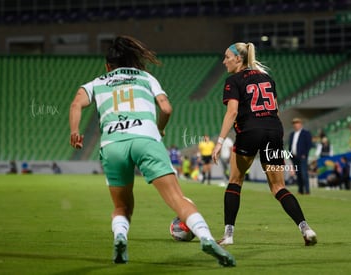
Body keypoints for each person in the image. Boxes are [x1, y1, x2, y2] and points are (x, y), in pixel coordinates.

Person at [68, 35, 235, 267]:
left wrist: (75, 131)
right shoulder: (146, 77)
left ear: (108, 66)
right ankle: (206, 238)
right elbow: (166, 108)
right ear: (133, 62)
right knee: (177, 199)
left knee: (122, 207)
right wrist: (159, 129)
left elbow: (76, 103)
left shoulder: (97, 82)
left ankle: (120, 238)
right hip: (146, 138)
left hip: (113, 143)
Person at [211, 42, 317, 247]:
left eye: (227, 57)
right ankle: (306, 229)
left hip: (250, 131)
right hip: (274, 131)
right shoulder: (267, 78)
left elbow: (232, 112)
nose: (224, 61)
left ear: (238, 59)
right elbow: (275, 111)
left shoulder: (233, 80)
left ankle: (229, 235)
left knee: (235, 181)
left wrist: (220, 141)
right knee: (279, 187)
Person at [289, 118, 313, 194]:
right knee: (298, 174)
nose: (295, 125)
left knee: (304, 173)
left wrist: (304, 154)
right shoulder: (292, 134)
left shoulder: (306, 133)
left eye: (297, 123)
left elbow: (309, 145)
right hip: (294, 157)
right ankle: (300, 190)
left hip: (302, 157)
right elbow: (291, 145)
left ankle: (307, 190)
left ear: (301, 124)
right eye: (294, 123)